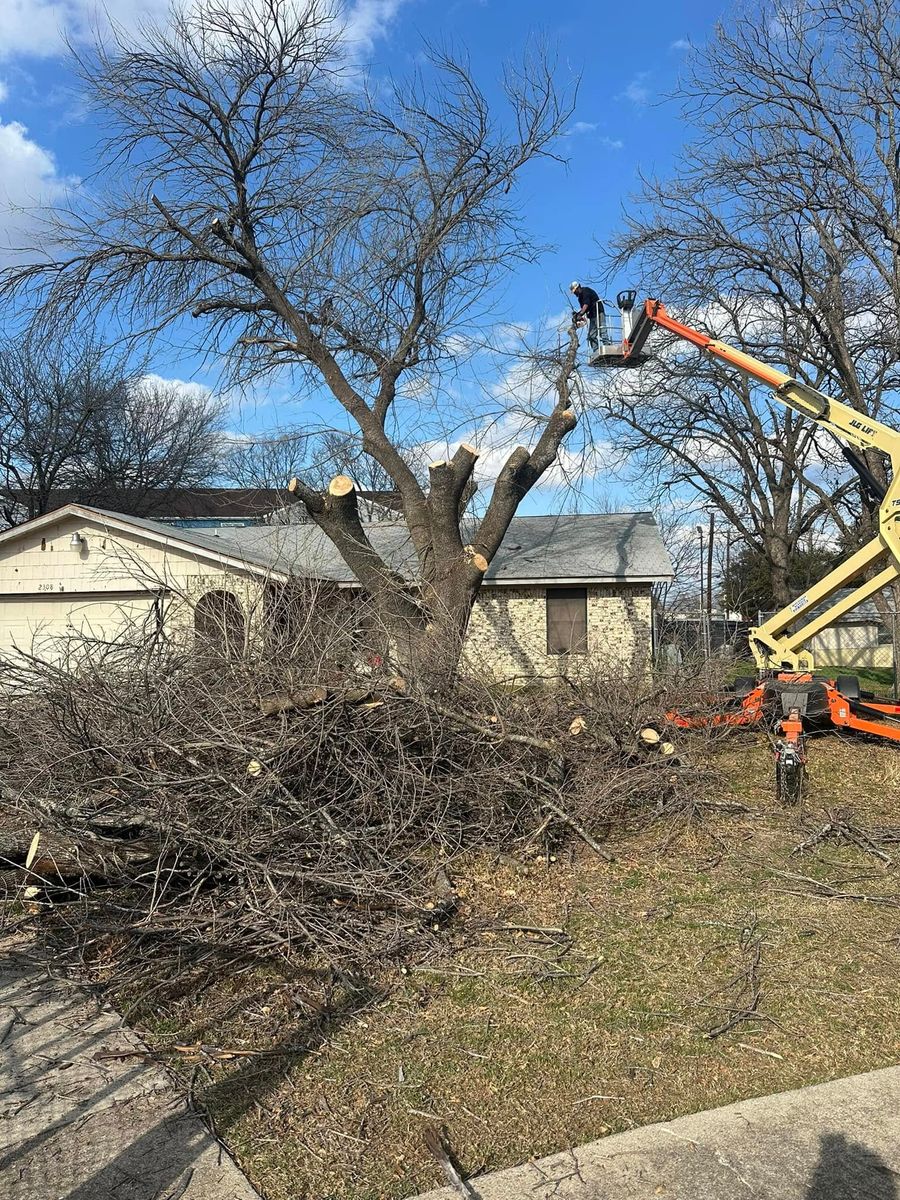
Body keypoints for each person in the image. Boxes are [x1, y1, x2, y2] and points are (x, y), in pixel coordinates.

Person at [569, 281, 607, 352]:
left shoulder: (585, 291)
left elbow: (586, 305)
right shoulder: (580, 298)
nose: (574, 294)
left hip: (598, 312)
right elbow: (584, 309)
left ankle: (607, 345)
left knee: (602, 330)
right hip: (592, 315)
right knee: (591, 336)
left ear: (578, 288)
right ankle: (596, 351)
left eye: (575, 292)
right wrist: (579, 316)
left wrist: (580, 314)